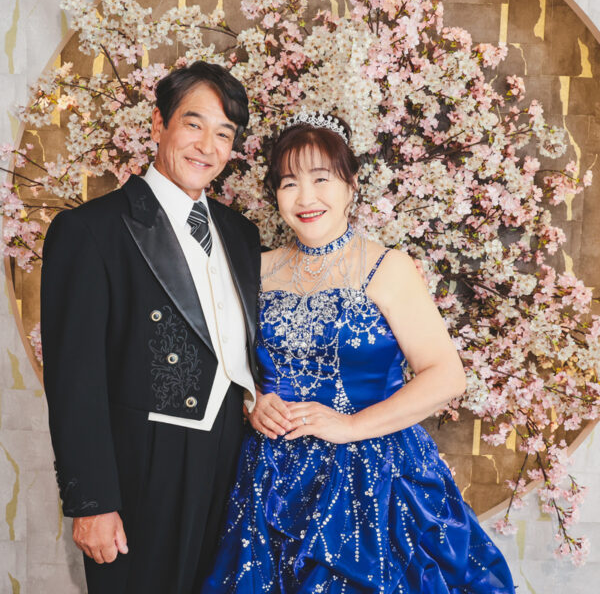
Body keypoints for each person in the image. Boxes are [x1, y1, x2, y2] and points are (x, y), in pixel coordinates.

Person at [201, 112, 515, 593]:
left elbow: (447, 376)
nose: (305, 198)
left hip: (374, 473)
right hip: (271, 478)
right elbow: (227, 364)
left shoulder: (388, 268)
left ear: (350, 186)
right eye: (289, 183)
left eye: (321, 179)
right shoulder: (254, 270)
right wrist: (252, 401)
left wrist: (349, 427)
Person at [40, 61, 261, 593]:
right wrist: (92, 501)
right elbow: (74, 381)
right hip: (143, 462)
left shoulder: (241, 233)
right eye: (193, 124)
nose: (207, 146)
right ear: (159, 124)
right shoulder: (90, 229)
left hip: (231, 459)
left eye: (223, 134)